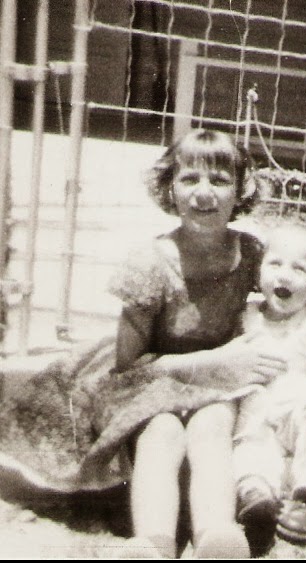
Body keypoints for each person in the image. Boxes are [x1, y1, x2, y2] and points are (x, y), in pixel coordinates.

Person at [0, 129, 287, 558]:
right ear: (170, 187)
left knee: (212, 426)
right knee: (162, 432)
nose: (203, 193)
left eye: (219, 180)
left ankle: (217, 534)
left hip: (218, 384)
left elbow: (283, 307)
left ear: (241, 190)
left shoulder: (251, 253)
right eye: (189, 179)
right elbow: (128, 366)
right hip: (149, 379)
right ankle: (154, 542)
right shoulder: (152, 262)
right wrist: (216, 360)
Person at [232, 225, 306, 546]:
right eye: (275, 264)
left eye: (300, 269)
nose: (284, 276)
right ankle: (255, 491)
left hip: (302, 408)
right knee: (251, 439)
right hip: (258, 405)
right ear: (259, 272)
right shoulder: (246, 317)